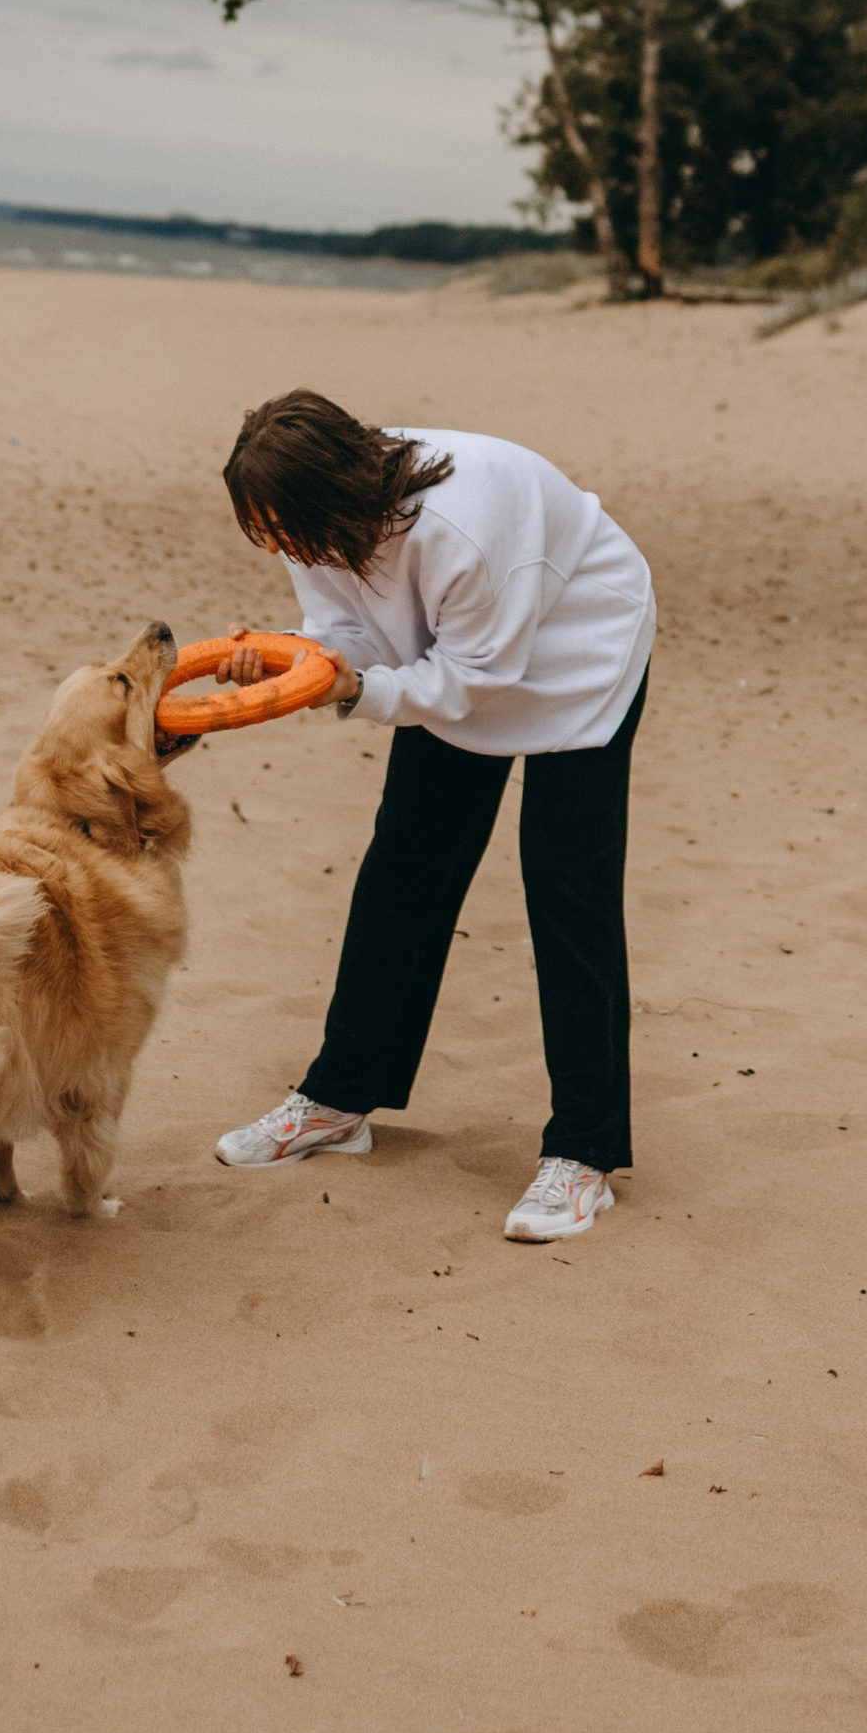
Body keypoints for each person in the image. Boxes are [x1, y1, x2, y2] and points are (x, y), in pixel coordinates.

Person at [209, 389, 653, 1243]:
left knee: (568, 889)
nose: (276, 547)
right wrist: (293, 665)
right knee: (404, 870)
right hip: (458, 652)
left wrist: (352, 687)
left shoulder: (466, 529)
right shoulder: (307, 516)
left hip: (579, 646)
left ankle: (584, 1157)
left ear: (338, 494)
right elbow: (350, 630)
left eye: (281, 531)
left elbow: (471, 681)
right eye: (261, 533)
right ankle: (340, 1099)